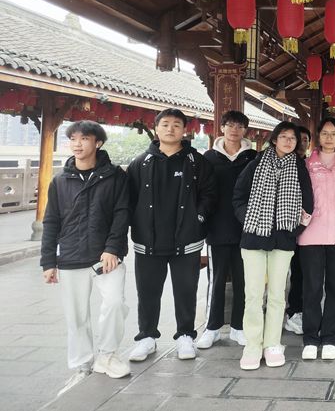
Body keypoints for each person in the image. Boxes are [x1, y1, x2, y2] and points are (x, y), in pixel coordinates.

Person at [41, 121, 130, 392]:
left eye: (84, 138)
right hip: (71, 255)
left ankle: (107, 355)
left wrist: (112, 248)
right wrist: (48, 261)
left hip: (106, 257)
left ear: (98, 143)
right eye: (73, 139)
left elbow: (122, 213)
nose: (77, 144)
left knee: (114, 303)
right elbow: (51, 221)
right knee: (76, 316)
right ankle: (82, 364)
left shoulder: (116, 176)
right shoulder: (60, 181)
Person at [127, 109, 217, 363]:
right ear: (156, 128)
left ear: (184, 130)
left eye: (176, 125)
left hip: (186, 240)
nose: (170, 129)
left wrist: (198, 219)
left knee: (186, 290)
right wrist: (135, 226)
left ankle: (185, 335)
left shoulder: (196, 161)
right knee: (147, 292)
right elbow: (128, 200)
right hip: (148, 240)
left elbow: (209, 194)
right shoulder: (140, 162)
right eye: (165, 124)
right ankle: (146, 337)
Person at [233, 121, 313, 370]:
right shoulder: (256, 163)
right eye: (284, 136)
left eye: (293, 138)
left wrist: (294, 230)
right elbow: (238, 196)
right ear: (274, 139)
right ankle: (252, 345)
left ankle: (272, 344)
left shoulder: (299, 168)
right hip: (254, 237)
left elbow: (309, 203)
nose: (288, 141)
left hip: (283, 238)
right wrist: (250, 219)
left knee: (278, 294)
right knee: (254, 294)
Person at [197, 110, 257, 350]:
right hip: (218, 228)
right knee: (217, 280)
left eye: (240, 126)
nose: (234, 130)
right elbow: (202, 192)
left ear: (245, 131)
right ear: (221, 128)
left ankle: (238, 327)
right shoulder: (208, 158)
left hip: (247, 228)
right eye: (230, 125)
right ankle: (211, 328)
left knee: (244, 281)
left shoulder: (253, 157)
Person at [299, 117, 335, 361]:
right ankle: (311, 338)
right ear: (318, 136)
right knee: (312, 289)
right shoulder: (306, 164)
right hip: (310, 234)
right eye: (325, 133)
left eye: (334, 133)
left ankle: (329, 336)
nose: (329, 137)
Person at [284, 124, 313, 335]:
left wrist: (301, 226)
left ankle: (296, 310)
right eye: (298, 139)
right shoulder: (284, 162)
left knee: (300, 272)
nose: (301, 143)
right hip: (280, 228)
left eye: (305, 140)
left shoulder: (310, 164)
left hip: (302, 229)